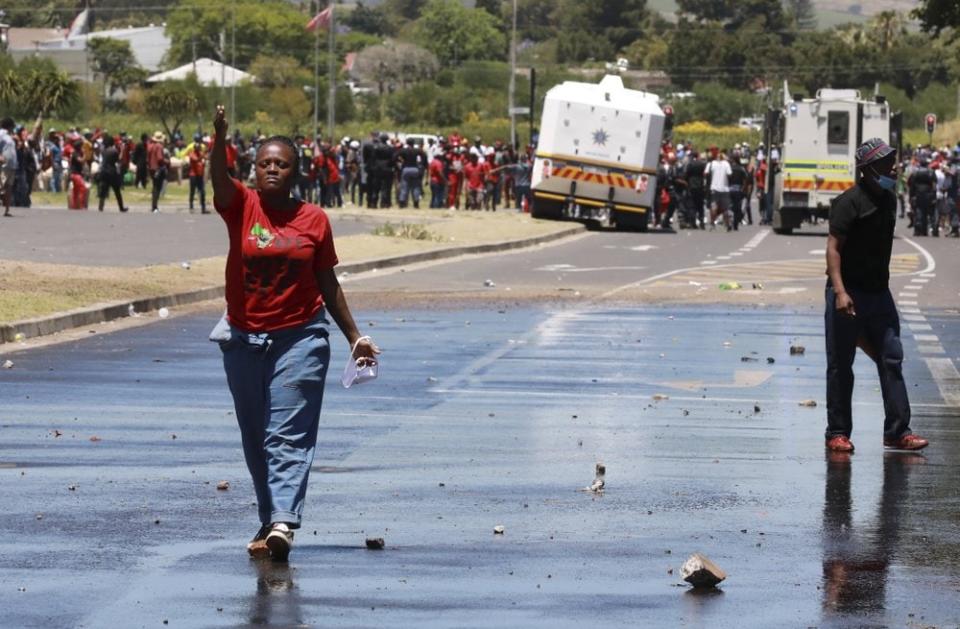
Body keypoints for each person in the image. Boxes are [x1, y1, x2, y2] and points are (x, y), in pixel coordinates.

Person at [209, 105, 379, 561]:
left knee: (286, 434)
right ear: (254, 168)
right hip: (244, 339)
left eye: (280, 164)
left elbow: (327, 282)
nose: (271, 169)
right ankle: (271, 517)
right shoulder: (242, 206)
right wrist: (218, 137)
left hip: (300, 338)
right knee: (255, 434)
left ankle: (284, 519)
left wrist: (354, 337)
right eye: (264, 163)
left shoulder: (314, 220)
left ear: (295, 172)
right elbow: (219, 183)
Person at [824, 138, 928, 453]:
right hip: (847, 293)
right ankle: (837, 433)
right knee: (841, 364)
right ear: (868, 168)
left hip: (879, 295)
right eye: (885, 162)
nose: (892, 167)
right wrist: (840, 292)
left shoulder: (888, 201)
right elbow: (833, 250)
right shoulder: (848, 202)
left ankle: (898, 432)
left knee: (891, 357)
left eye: (891, 161)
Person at [97, 135, 128, 213]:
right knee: (117, 191)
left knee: (103, 190)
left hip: (104, 171)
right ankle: (121, 207)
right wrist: (122, 150)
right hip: (112, 172)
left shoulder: (103, 151)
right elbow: (119, 159)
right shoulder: (114, 151)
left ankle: (100, 207)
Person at [0, 118, 18, 217]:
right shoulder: (1, 134)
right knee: (2, 187)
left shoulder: (9, 136)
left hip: (12, 165)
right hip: (4, 165)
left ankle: (6, 210)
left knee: (9, 188)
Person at [147, 131, 169, 213]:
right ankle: (154, 207)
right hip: (158, 169)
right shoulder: (159, 146)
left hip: (151, 169)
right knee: (157, 188)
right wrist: (166, 161)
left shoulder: (150, 146)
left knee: (154, 187)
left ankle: (154, 206)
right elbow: (160, 158)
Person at [188, 141, 208, 214]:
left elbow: (206, 158)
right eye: (197, 148)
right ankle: (191, 206)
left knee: (202, 191)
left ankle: (203, 208)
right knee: (192, 191)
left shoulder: (201, 154)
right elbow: (196, 159)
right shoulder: (192, 154)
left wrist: (206, 154)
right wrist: (202, 156)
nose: (198, 149)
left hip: (200, 175)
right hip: (193, 175)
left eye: (199, 148)